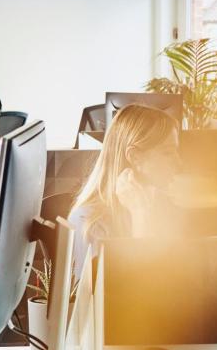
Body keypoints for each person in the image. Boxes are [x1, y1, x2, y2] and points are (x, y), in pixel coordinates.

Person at [68, 104, 181, 270]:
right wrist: (140, 214)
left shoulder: (162, 204)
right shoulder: (91, 224)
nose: (179, 163)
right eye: (168, 153)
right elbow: (141, 287)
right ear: (135, 157)